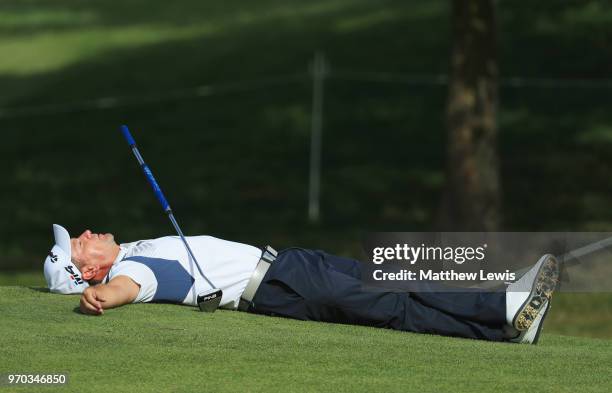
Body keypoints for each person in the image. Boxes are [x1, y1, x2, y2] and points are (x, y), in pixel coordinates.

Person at [43, 224, 559, 344]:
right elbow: (137, 287)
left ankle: (507, 330)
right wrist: (103, 296)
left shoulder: (135, 252)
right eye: (79, 245)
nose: (86, 233)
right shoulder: (137, 270)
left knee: (395, 307)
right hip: (282, 282)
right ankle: (503, 301)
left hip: (286, 268)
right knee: (395, 287)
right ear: (86, 270)